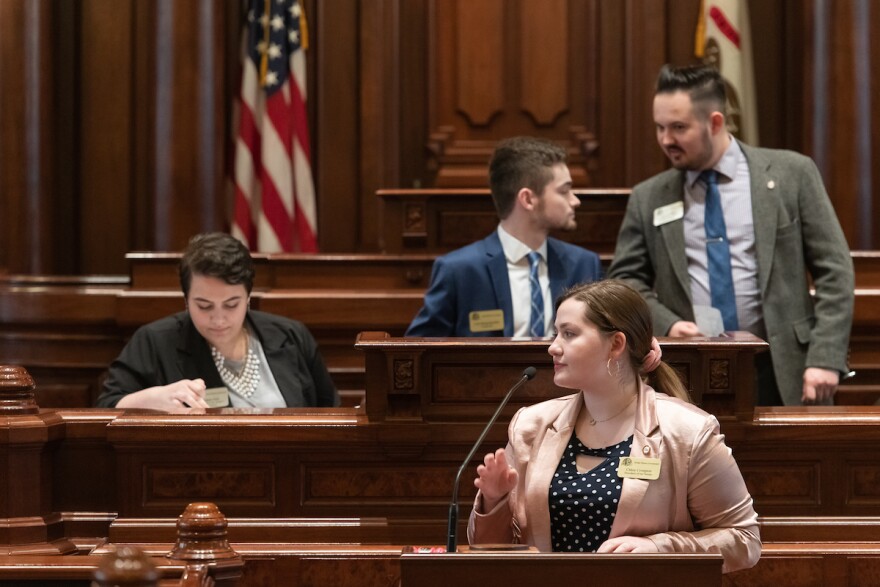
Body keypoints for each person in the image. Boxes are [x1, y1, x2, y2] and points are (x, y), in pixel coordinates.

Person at [468, 280, 761, 573]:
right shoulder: (531, 426)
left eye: (569, 334)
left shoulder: (689, 431)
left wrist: (661, 548)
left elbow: (745, 540)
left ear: (616, 344)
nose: (553, 347)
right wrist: (494, 501)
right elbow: (489, 553)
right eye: (556, 333)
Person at [608, 64, 854, 406]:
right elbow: (624, 281)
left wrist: (825, 357)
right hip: (686, 371)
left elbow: (835, 271)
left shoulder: (791, 174)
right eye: (660, 127)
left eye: (679, 127)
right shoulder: (650, 196)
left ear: (716, 122)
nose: (666, 140)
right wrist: (669, 323)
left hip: (784, 368)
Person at [96, 232, 339, 410]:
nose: (219, 318)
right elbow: (105, 408)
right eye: (204, 306)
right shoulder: (155, 341)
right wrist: (154, 398)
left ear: (248, 298)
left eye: (232, 304)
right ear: (186, 300)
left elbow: (332, 414)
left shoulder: (291, 335)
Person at [406, 136, 602, 337]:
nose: (575, 200)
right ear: (528, 199)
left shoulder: (584, 265)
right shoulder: (460, 271)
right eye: (564, 191)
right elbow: (418, 350)